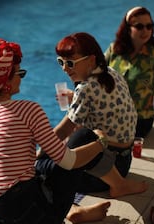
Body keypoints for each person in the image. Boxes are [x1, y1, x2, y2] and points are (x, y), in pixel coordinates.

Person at [0, 38, 147, 224]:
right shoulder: (28, 110)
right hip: (38, 220)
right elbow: (69, 162)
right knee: (82, 140)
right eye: (19, 74)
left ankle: (75, 210)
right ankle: (91, 198)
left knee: (44, 160)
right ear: (6, 81)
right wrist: (100, 141)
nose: (21, 79)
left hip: (5, 222)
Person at [51, 32, 137, 190]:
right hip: (124, 162)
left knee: (52, 169)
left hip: (103, 171)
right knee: (74, 137)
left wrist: (37, 154)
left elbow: (62, 131)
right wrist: (75, 97)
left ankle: (119, 186)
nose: (64, 68)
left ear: (91, 59)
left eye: (70, 63)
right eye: (61, 62)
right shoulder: (110, 72)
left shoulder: (86, 89)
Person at [104, 6, 154, 142]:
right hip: (110, 114)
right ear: (127, 28)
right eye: (139, 26)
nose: (145, 31)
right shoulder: (114, 50)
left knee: (91, 136)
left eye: (149, 26)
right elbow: (96, 76)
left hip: (139, 120)